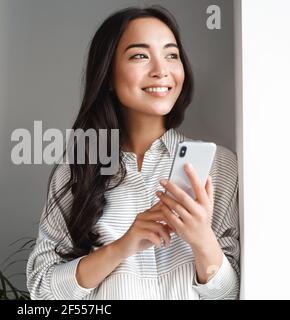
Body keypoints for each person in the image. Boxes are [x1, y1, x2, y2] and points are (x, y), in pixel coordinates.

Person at [26, 6, 239, 300]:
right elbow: (42, 290)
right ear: (109, 76)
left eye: (171, 55)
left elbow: (231, 295)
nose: (161, 70)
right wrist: (122, 246)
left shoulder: (221, 166)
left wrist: (202, 239)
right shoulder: (77, 170)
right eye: (140, 55)